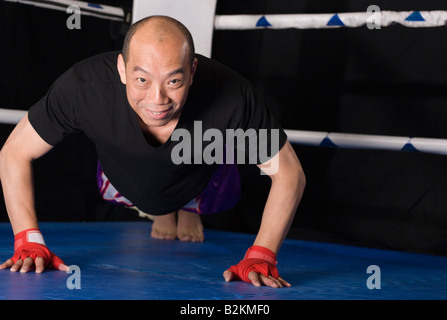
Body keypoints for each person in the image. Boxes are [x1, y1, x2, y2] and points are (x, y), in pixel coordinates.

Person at [0, 16, 305, 288]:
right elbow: (14, 152)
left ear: (193, 69)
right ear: (121, 68)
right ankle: (161, 208)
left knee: (217, 149)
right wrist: (28, 239)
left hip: (199, 175)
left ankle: (185, 205)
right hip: (125, 176)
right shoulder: (84, 87)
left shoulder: (231, 95)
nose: (157, 99)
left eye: (174, 81)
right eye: (142, 80)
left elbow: (290, 174)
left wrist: (262, 254)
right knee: (134, 182)